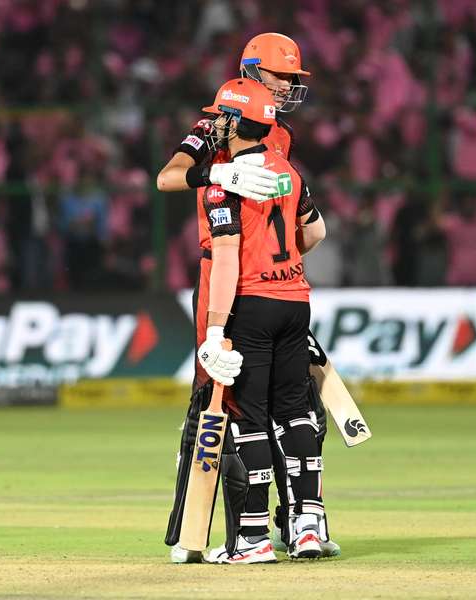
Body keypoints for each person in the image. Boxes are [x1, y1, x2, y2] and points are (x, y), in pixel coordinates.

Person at [158, 32, 340, 562]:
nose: (290, 87)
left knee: (279, 409)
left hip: (263, 284)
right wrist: (216, 169)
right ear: (254, 73)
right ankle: (204, 532)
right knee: (219, 404)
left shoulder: (279, 137)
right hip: (227, 277)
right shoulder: (217, 124)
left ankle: (292, 527)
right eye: (283, 77)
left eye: (294, 79)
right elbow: (167, 179)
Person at [196, 77, 327, 563]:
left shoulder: (223, 181)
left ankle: (253, 538)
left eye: (221, 117)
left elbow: (226, 261)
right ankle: (308, 524)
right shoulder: (289, 172)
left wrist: (214, 330)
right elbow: (315, 234)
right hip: (295, 300)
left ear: (234, 122)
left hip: (250, 304)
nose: (217, 124)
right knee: (296, 413)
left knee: (249, 417)